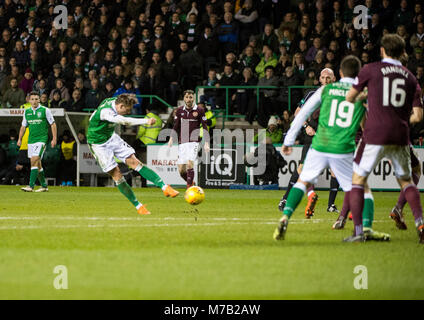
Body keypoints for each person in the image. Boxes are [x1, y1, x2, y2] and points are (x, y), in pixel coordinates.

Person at [273, 56, 367, 241]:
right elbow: (368, 124)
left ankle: (285, 217)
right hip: (342, 145)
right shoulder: (360, 93)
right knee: (356, 187)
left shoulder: (327, 91)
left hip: (320, 142)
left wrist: (289, 140)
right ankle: (359, 230)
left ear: (339, 74)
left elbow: (301, 114)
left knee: (303, 181)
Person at [345, 34, 424, 243]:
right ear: (402, 52)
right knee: (407, 181)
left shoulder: (370, 69)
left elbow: (349, 97)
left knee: (358, 179)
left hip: (375, 133)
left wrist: (364, 97)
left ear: (382, 50)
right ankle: (420, 223)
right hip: (400, 134)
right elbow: (419, 116)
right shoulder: (410, 77)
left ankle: (359, 232)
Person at [87, 94, 179, 216]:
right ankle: (138, 206)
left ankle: (164, 187)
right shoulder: (106, 112)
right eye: (127, 110)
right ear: (120, 106)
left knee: (135, 162)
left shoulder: (114, 101)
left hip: (110, 137)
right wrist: (146, 121)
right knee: (117, 174)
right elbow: (124, 121)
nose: (128, 112)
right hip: (98, 144)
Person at [278, 68, 340, 217]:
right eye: (323, 78)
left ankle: (331, 205)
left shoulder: (338, 96)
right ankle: (285, 199)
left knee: (335, 171)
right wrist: (306, 126)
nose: (325, 80)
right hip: (313, 137)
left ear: (334, 79)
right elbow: (298, 112)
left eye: (328, 78)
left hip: (330, 137)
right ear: (319, 79)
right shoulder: (313, 94)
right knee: (302, 169)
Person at [168, 90, 210, 189]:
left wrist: (206, 142)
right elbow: (176, 125)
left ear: (193, 98)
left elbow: (205, 127)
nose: (189, 99)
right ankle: (191, 183)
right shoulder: (179, 110)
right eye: (187, 97)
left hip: (194, 141)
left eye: (190, 97)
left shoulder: (199, 110)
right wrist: (171, 138)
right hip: (182, 141)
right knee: (181, 171)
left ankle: (189, 188)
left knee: (189, 163)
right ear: (184, 98)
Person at [17, 91, 57, 192]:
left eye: (36, 99)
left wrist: (54, 138)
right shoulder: (27, 112)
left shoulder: (45, 110)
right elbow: (23, 126)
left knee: (34, 160)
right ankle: (44, 186)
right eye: (32, 99)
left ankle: (30, 186)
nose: (34, 101)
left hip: (42, 140)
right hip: (31, 141)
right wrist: (20, 138)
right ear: (29, 100)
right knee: (37, 164)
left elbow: (53, 124)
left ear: (39, 100)